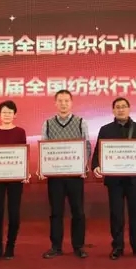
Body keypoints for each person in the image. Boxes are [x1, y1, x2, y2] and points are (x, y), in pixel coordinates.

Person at [92, 97, 136, 260]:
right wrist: (96, 166)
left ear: (129, 109)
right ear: (113, 110)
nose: (121, 109)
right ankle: (117, 247)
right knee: (116, 214)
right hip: (115, 181)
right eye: (118, 107)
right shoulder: (105, 130)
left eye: (124, 106)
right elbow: (98, 152)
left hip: (134, 179)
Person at [39, 89, 91, 259]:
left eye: (66, 101)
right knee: (56, 212)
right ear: (55, 103)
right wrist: (43, 167)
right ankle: (56, 246)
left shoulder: (80, 122)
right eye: (60, 101)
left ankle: (78, 246)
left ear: (71, 103)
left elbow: (87, 146)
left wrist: (84, 165)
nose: (63, 104)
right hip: (55, 177)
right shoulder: (47, 123)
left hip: (75, 175)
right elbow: (44, 148)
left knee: (78, 211)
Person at [0, 100, 30, 260]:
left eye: (10, 112)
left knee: (14, 212)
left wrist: (24, 172)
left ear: (15, 115)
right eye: (4, 112)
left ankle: (11, 246)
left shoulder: (20, 132)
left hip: (15, 178)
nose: (7, 115)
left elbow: (23, 154)